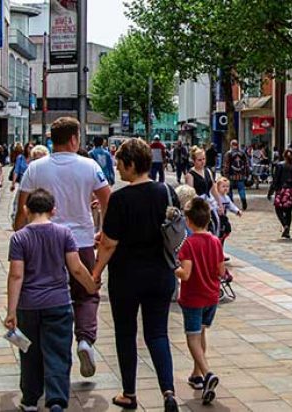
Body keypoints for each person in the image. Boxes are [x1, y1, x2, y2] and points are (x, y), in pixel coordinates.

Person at [15, 117, 112, 380]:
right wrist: (104, 231)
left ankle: (47, 358)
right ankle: (84, 339)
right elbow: (108, 200)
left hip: (42, 245)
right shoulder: (89, 166)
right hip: (80, 241)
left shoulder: (35, 168)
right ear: (73, 139)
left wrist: (20, 236)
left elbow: (22, 212)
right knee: (87, 293)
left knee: (47, 296)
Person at [91, 139, 179, 412]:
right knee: (157, 333)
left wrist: (95, 273)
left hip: (126, 277)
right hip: (160, 273)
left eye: (119, 162)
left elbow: (109, 243)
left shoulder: (120, 198)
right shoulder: (166, 191)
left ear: (131, 164)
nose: (116, 167)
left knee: (126, 333)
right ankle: (168, 392)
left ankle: (129, 393)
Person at [5, 189, 99, 412]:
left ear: (27, 210)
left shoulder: (19, 238)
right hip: (58, 303)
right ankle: (56, 400)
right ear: (53, 210)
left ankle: (29, 400)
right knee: (58, 353)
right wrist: (90, 286)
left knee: (30, 353)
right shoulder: (64, 234)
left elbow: (16, 275)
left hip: (28, 305)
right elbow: (75, 268)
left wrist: (11, 311)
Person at [174, 197, 226, 405]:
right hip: (211, 296)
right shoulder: (215, 241)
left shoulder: (189, 244)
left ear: (188, 221)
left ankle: (206, 373)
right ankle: (197, 375)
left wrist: (172, 267)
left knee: (192, 337)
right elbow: (221, 271)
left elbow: (185, 274)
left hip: (193, 297)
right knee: (202, 332)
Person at [268, 148, 292, 238]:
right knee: (288, 210)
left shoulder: (280, 165)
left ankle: (285, 225)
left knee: (278, 209)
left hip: (282, 190)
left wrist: (271, 191)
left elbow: (276, 179)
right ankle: (287, 229)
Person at [222, 140, 250, 210]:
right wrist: (247, 173)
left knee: (229, 190)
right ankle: (243, 200)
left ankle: (231, 203)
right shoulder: (242, 153)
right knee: (241, 189)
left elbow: (226, 165)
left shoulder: (229, 153)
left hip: (231, 176)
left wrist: (225, 174)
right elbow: (246, 164)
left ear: (231, 145)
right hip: (240, 176)